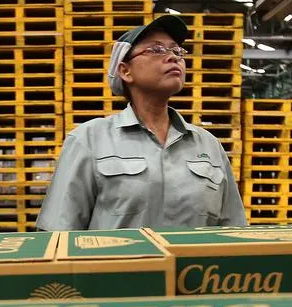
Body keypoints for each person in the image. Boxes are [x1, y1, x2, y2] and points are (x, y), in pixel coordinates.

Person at [37, 14, 247, 230]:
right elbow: (57, 235)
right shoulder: (89, 140)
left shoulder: (208, 146)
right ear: (125, 71)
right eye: (156, 50)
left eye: (177, 51)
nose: (173, 58)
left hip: (195, 265)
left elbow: (234, 231)